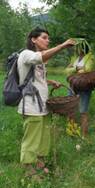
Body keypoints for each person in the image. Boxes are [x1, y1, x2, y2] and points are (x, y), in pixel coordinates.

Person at [18, 27, 75, 177]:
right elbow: (41, 57)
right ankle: (29, 171)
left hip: (43, 105)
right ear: (33, 39)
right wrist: (62, 46)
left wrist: (50, 81)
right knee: (32, 138)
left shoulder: (39, 59)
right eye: (44, 37)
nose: (48, 40)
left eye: (48, 38)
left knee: (44, 137)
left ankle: (40, 164)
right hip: (31, 105)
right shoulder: (26, 54)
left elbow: (37, 78)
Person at [66, 41, 95, 136]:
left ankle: (84, 136)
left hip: (84, 87)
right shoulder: (74, 58)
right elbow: (67, 70)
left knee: (83, 111)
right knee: (70, 109)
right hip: (72, 86)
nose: (75, 49)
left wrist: (75, 69)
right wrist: (76, 69)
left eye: (77, 47)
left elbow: (87, 69)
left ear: (82, 48)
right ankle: (72, 132)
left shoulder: (90, 57)